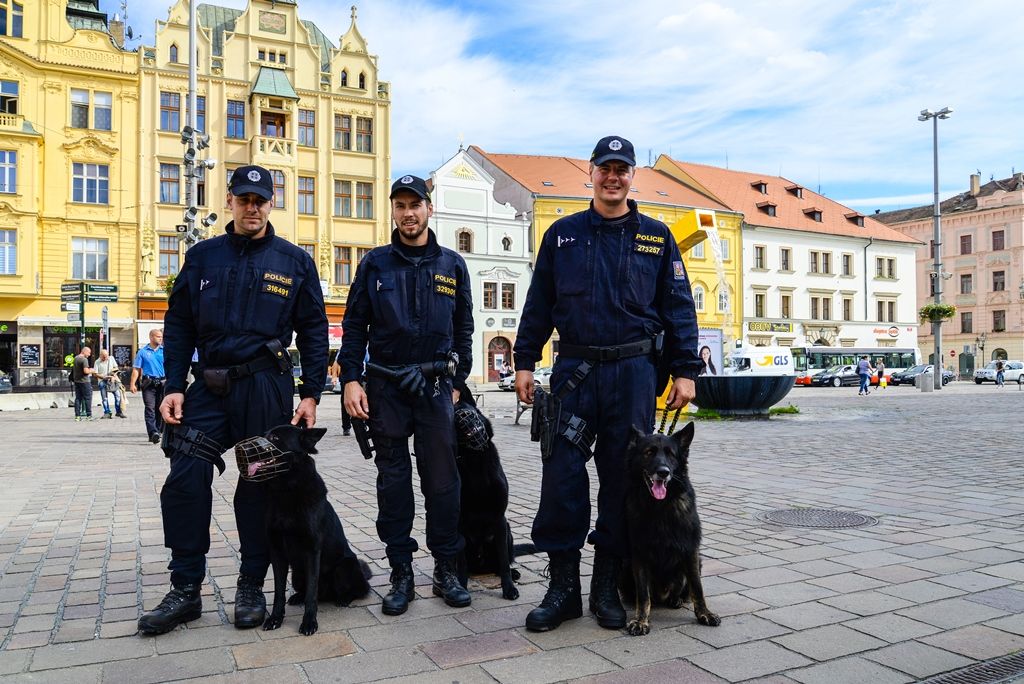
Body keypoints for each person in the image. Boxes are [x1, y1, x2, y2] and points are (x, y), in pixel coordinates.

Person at [513, 136, 702, 633]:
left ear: (632, 176)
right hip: (574, 373)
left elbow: (680, 309)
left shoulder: (656, 238)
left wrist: (685, 370)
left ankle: (605, 588)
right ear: (591, 174)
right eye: (605, 168)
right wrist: (524, 361)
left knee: (624, 485)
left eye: (622, 169)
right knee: (562, 479)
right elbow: (539, 303)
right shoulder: (562, 235)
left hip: (633, 374)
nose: (613, 177)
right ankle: (563, 590)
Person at [138, 165, 328, 635]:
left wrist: (311, 394)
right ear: (229, 201)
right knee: (185, 475)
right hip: (207, 386)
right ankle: (185, 589)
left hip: (264, 385)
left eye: (260, 199)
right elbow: (179, 323)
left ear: (271, 203)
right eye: (244, 199)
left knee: (258, 482)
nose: (252, 207)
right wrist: (175, 385)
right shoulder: (203, 257)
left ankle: (251, 584)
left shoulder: (294, 261)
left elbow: (314, 331)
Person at [340, 174, 474, 616]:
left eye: (415, 204)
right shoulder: (375, 264)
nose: (408, 213)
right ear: (393, 212)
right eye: (400, 205)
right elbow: (355, 326)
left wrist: (458, 382)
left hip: (436, 387)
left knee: (443, 482)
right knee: (393, 482)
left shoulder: (452, 265)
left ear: (429, 209)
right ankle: (401, 571)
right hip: (387, 387)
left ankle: (446, 569)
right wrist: (351, 381)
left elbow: (464, 330)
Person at [130, 329, 166, 443]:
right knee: (150, 408)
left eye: (161, 336)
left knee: (160, 408)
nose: (160, 338)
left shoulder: (164, 351)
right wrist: (132, 384)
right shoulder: (143, 352)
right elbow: (136, 369)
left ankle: (159, 430)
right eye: (158, 336)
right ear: (151, 337)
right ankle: (152, 432)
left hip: (162, 383)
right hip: (149, 383)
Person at [94, 348, 124, 418]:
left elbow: (116, 368)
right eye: (103, 357)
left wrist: (113, 375)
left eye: (106, 356)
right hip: (102, 381)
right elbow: (95, 374)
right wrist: (104, 377)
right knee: (104, 398)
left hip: (112, 380)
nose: (105, 358)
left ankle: (118, 411)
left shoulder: (111, 358)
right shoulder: (97, 362)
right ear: (100, 356)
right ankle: (107, 412)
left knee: (118, 396)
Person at [329, 351, 353, 436]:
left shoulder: (368, 347)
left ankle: (363, 425)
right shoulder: (345, 347)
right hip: (346, 376)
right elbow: (337, 362)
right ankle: (346, 427)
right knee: (345, 401)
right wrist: (334, 376)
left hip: (362, 376)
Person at [72, 346, 95, 421]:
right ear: (84, 351)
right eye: (89, 353)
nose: (89, 355)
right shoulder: (84, 360)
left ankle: (77, 416)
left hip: (77, 381)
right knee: (88, 398)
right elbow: (86, 371)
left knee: (78, 398)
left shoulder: (76, 358)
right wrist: (91, 370)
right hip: (85, 382)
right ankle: (89, 415)